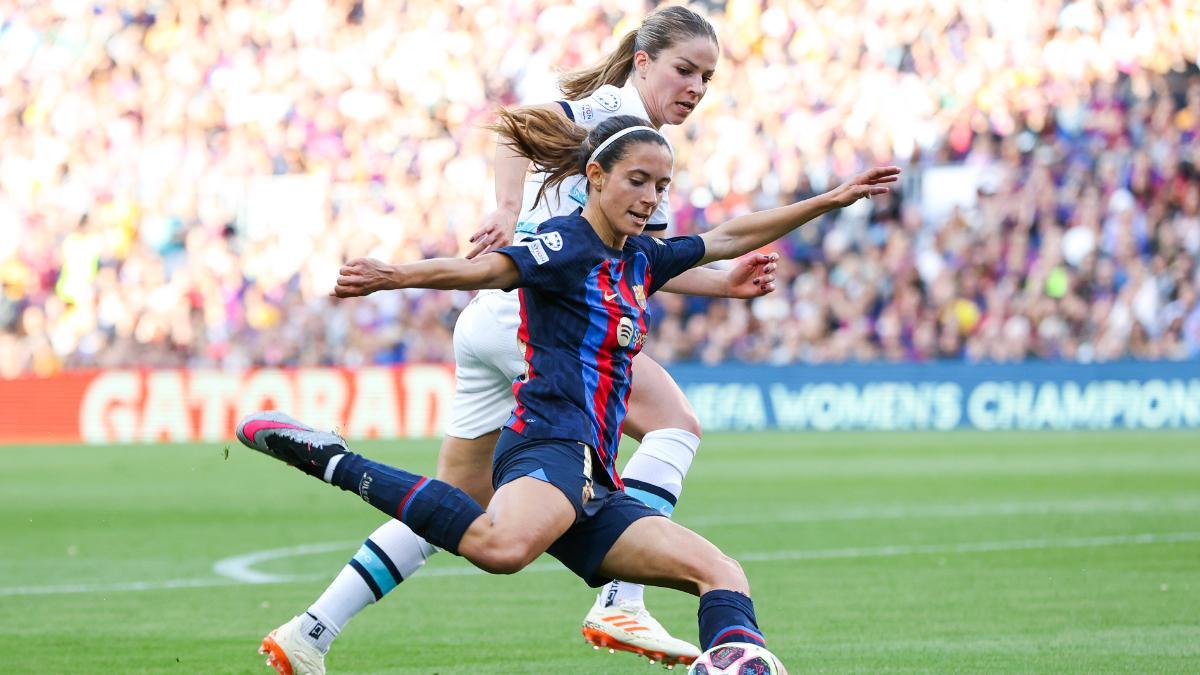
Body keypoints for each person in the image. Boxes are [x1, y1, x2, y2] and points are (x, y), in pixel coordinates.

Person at [236, 111, 899, 674]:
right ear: (596, 177)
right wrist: (394, 274)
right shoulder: (564, 243)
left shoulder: (641, 257)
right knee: (502, 546)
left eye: (661, 185)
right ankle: (328, 456)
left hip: (596, 482)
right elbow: (488, 268)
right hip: (548, 444)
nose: (650, 197)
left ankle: (734, 659)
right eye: (638, 181)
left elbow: (727, 236)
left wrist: (831, 199)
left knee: (721, 572)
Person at [262, 7, 779, 671]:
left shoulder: (638, 152)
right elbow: (514, 132)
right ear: (644, 61)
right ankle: (622, 598)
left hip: (491, 320)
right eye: (685, 69)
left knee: (456, 500)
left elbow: (635, 268)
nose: (697, 86)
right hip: (532, 324)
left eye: (707, 76)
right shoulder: (611, 113)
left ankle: (311, 629)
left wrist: (724, 283)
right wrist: (505, 211)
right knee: (676, 423)